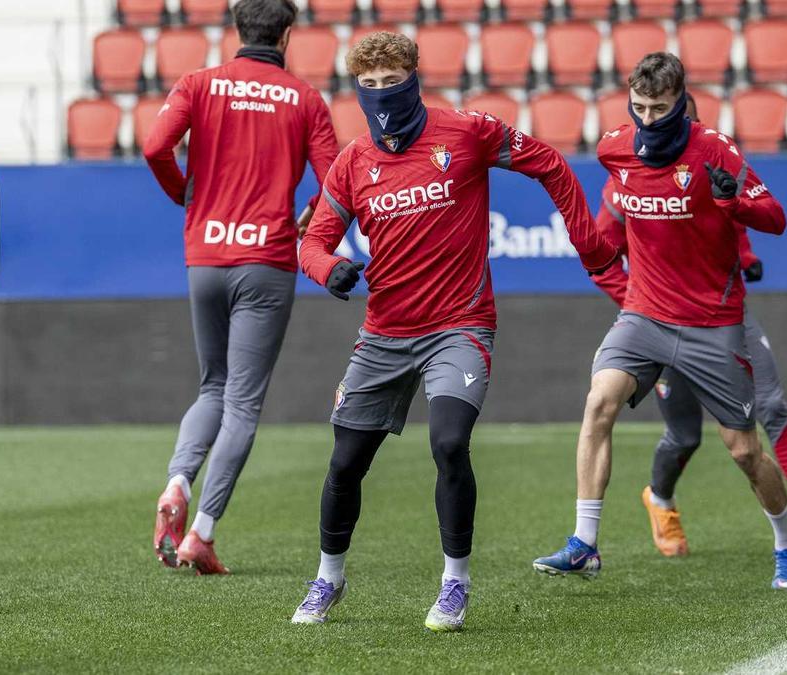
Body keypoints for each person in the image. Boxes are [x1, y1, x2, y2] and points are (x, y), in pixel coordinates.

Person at [290, 32, 617, 631]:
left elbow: (548, 162)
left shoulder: (467, 133)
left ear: (416, 75)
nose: (383, 93)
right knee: (344, 464)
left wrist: (589, 242)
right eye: (371, 85)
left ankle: (454, 584)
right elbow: (310, 242)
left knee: (447, 443)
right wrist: (327, 269)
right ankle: (328, 579)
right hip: (384, 332)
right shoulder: (353, 161)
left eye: (394, 81)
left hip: (458, 327)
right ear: (358, 91)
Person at [532, 52, 787, 590]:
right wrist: (626, 292)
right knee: (598, 403)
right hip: (644, 316)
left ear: (681, 101)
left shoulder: (715, 149)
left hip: (711, 321)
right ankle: (584, 543)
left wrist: (735, 205)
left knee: (743, 449)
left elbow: (774, 217)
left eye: (659, 108)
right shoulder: (615, 150)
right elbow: (606, 242)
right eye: (639, 107)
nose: (649, 119)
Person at [590, 94, 787, 562]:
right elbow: (600, 252)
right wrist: (635, 301)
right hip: (658, 318)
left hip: (725, 315)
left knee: (772, 406)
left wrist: (745, 258)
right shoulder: (623, 184)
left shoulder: (710, 166)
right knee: (684, 435)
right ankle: (661, 499)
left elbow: (740, 222)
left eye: (681, 123)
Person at [143, 0, 338, 574]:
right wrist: (309, 214)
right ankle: (200, 533)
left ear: (237, 29)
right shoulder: (305, 99)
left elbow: (155, 147)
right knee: (243, 402)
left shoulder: (199, 84)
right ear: (287, 32)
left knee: (212, 387)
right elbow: (335, 184)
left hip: (204, 254)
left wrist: (183, 192)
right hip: (267, 260)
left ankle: (177, 481)